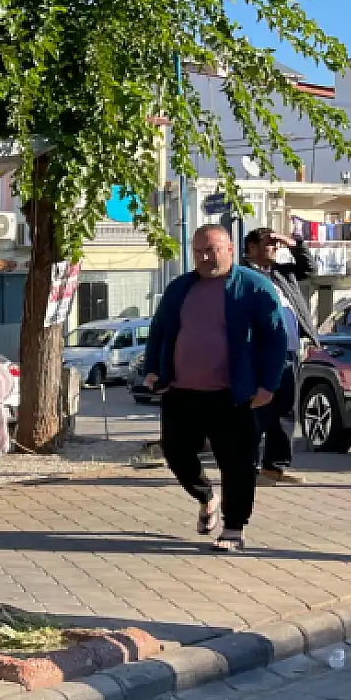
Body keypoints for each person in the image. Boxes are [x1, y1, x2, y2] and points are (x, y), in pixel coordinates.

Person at [142, 224, 287, 552]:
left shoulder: (254, 287)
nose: (206, 257)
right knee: (176, 452)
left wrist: (268, 384)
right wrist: (152, 370)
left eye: (213, 250)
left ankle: (234, 527)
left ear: (230, 250)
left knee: (236, 462)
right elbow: (160, 331)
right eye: (199, 252)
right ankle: (206, 495)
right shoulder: (180, 287)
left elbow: (275, 338)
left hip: (232, 395)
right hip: (181, 391)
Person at [243, 228, 317, 484]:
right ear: (251, 248)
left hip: (289, 352)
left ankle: (275, 466)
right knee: (255, 409)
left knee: (285, 410)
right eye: (269, 244)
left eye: (277, 244)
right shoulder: (241, 275)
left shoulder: (282, 273)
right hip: (258, 351)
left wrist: (293, 242)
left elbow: (309, 269)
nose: (275, 249)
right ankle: (245, 466)